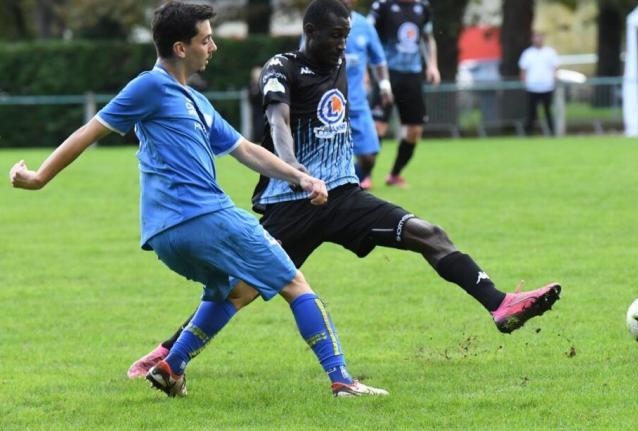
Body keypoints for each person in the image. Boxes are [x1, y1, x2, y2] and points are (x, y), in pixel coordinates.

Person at [127, 0, 562, 380]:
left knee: (428, 233)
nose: (342, 43)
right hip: (294, 204)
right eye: (335, 35)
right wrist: (293, 166)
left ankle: (500, 304)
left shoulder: (341, 63)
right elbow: (276, 120)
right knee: (237, 292)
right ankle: (167, 354)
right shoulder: (283, 67)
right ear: (309, 31)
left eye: (347, 35)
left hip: (344, 197)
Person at [9, 0, 388, 399]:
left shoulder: (198, 102)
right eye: (206, 40)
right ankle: (342, 379)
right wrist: (39, 178)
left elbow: (245, 149)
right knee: (295, 282)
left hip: (167, 236)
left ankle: (171, 367)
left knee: (231, 290)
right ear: (180, 48)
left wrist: (301, 177)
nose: (213, 48)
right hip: (203, 216)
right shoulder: (150, 85)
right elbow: (89, 131)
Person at [368, 0, 440, 187]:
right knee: (378, 127)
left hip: (413, 75)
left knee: (415, 130)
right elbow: (368, 37)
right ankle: (365, 173)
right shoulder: (382, 7)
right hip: (387, 74)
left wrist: (432, 65)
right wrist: (366, 70)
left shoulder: (422, 7)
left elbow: (428, 37)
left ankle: (395, 174)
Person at [344, 0, 393, 190]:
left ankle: (343, 187)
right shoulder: (322, 22)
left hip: (357, 104)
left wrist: (385, 86)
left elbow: (379, 60)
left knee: (368, 158)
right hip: (327, 106)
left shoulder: (365, 26)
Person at [518, 32, 559, 136]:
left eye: (540, 37)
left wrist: (554, 80)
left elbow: (555, 68)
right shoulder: (527, 53)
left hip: (547, 87)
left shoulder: (550, 52)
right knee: (531, 112)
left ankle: (552, 132)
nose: (538, 40)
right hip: (532, 87)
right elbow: (523, 70)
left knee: (548, 111)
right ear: (532, 39)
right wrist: (524, 83)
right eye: (536, 38)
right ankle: (529, 133)